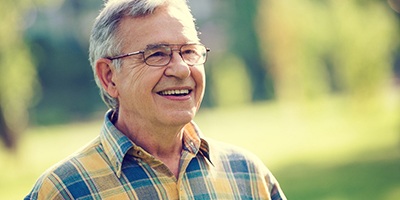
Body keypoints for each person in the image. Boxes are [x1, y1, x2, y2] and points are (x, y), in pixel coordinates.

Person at [25, 0, 286, 199]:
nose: (182, 69)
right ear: (109, 77)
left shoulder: (248, 175)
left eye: (188, 51)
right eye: (157, 54)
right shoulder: (63, 190)